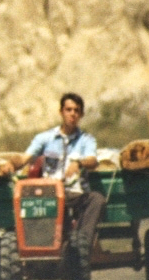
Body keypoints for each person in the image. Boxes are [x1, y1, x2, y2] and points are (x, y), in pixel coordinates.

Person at [9, 93, 106, 268]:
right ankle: (36, 247)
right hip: (50, 192)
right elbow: (25, 158)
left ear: (81, 114)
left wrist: (79, 162)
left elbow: (92, 160)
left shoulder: (86, 140)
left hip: (74, 193)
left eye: (77, 111)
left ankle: (82, 246)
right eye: (69, 110)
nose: (72, 114)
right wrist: (10, 164)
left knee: (96, 199)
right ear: (61, 112)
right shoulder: (45, 138)